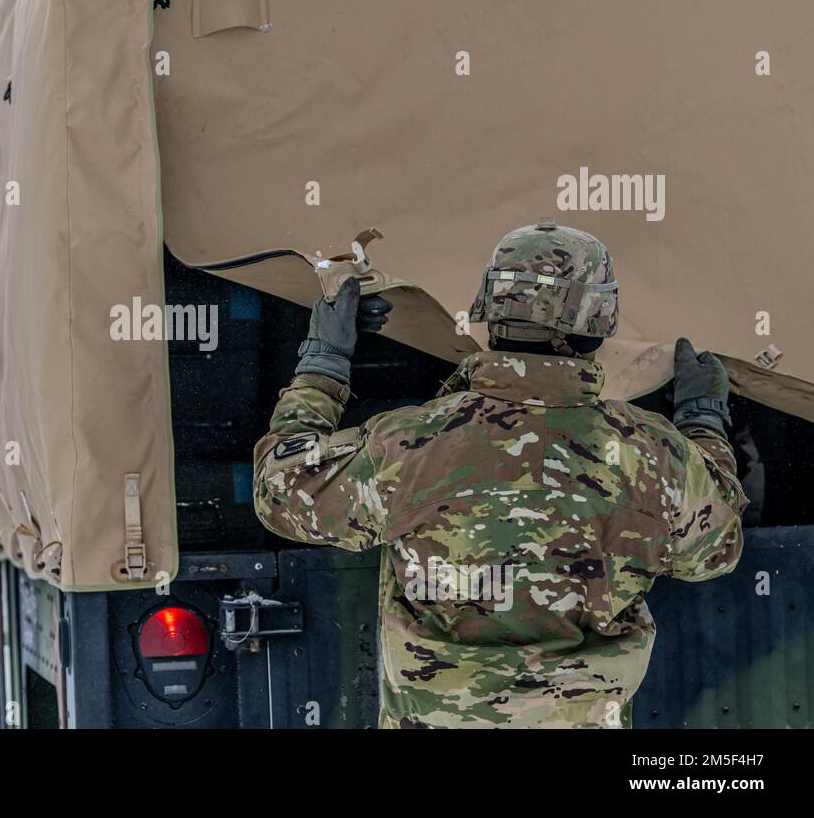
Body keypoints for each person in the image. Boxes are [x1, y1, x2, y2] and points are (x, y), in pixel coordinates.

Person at [253, 219, 746, 728]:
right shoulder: (653, 455)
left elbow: (283, 493)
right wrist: (704, 424)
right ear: (599, 320)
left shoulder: (411, 445)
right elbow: (714, 551)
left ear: (489, 309)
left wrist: (324, 363)